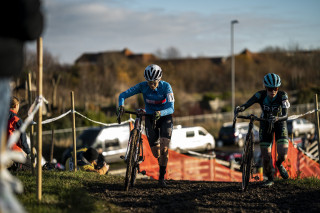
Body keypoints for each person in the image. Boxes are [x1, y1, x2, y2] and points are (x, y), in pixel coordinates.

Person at [117, 64, 174, 187]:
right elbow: (122, 95)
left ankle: (161, 178)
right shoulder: (142, 86)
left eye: (154, 82)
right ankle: (157, 162)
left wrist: (160, 112)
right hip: (149, 117)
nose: (151, 85)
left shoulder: (166, 87)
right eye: (149, 82)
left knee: (164, 149)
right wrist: (121, 105)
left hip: (164, 117)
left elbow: (171, 108)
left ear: (159, 80)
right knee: (156, 154)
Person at [235, 73, 290, 187]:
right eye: (270, 89)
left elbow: (286, 115)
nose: (273, 91)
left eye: (275, 88)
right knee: (266, 156)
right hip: (265, 124)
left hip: (280, 124)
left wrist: (277, 118)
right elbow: (247, 104)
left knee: (283, 155)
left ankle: (279, 164)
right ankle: (270, 178)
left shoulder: (283, 95)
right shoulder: (260, 95)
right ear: (266, 87)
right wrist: (240, 108)